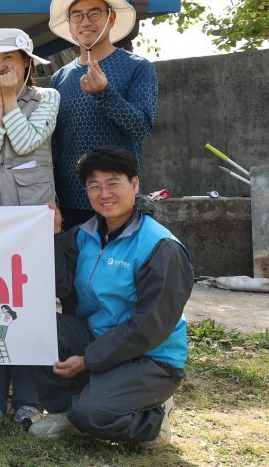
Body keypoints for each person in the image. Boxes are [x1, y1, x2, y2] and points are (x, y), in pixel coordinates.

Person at [31, 147, 192, 447]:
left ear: (134, 184)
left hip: (150, 358)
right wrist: (54, 236)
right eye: (94, 186)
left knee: (92, 415)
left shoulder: (161, 247)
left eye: (113, 183)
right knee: (37, 327)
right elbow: (59, 287)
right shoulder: (84, 235)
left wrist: (88, 360)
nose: (104, 193)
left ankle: (152, 420)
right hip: (98, 338)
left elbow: (149, 328)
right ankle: (64, 411)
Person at [0, 28, 60, 426]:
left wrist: (3, 100)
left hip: (33, 215)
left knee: (31, 304)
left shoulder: (48, 98)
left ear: (26, 64)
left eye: (7, 59)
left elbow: (25, 141)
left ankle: (28, 398)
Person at [48, 0, 158, 229]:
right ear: (69, 23)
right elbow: (53, 144)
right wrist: (52, 196)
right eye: (77, 15)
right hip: (71, 200)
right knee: (76, 266)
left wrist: (105, 93)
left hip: (117, 199)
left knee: (123, 265)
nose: (85, 22)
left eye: (94, 13)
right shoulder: (59, 77)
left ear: (111, 18)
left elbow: (140, 128)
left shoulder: (138, 67)